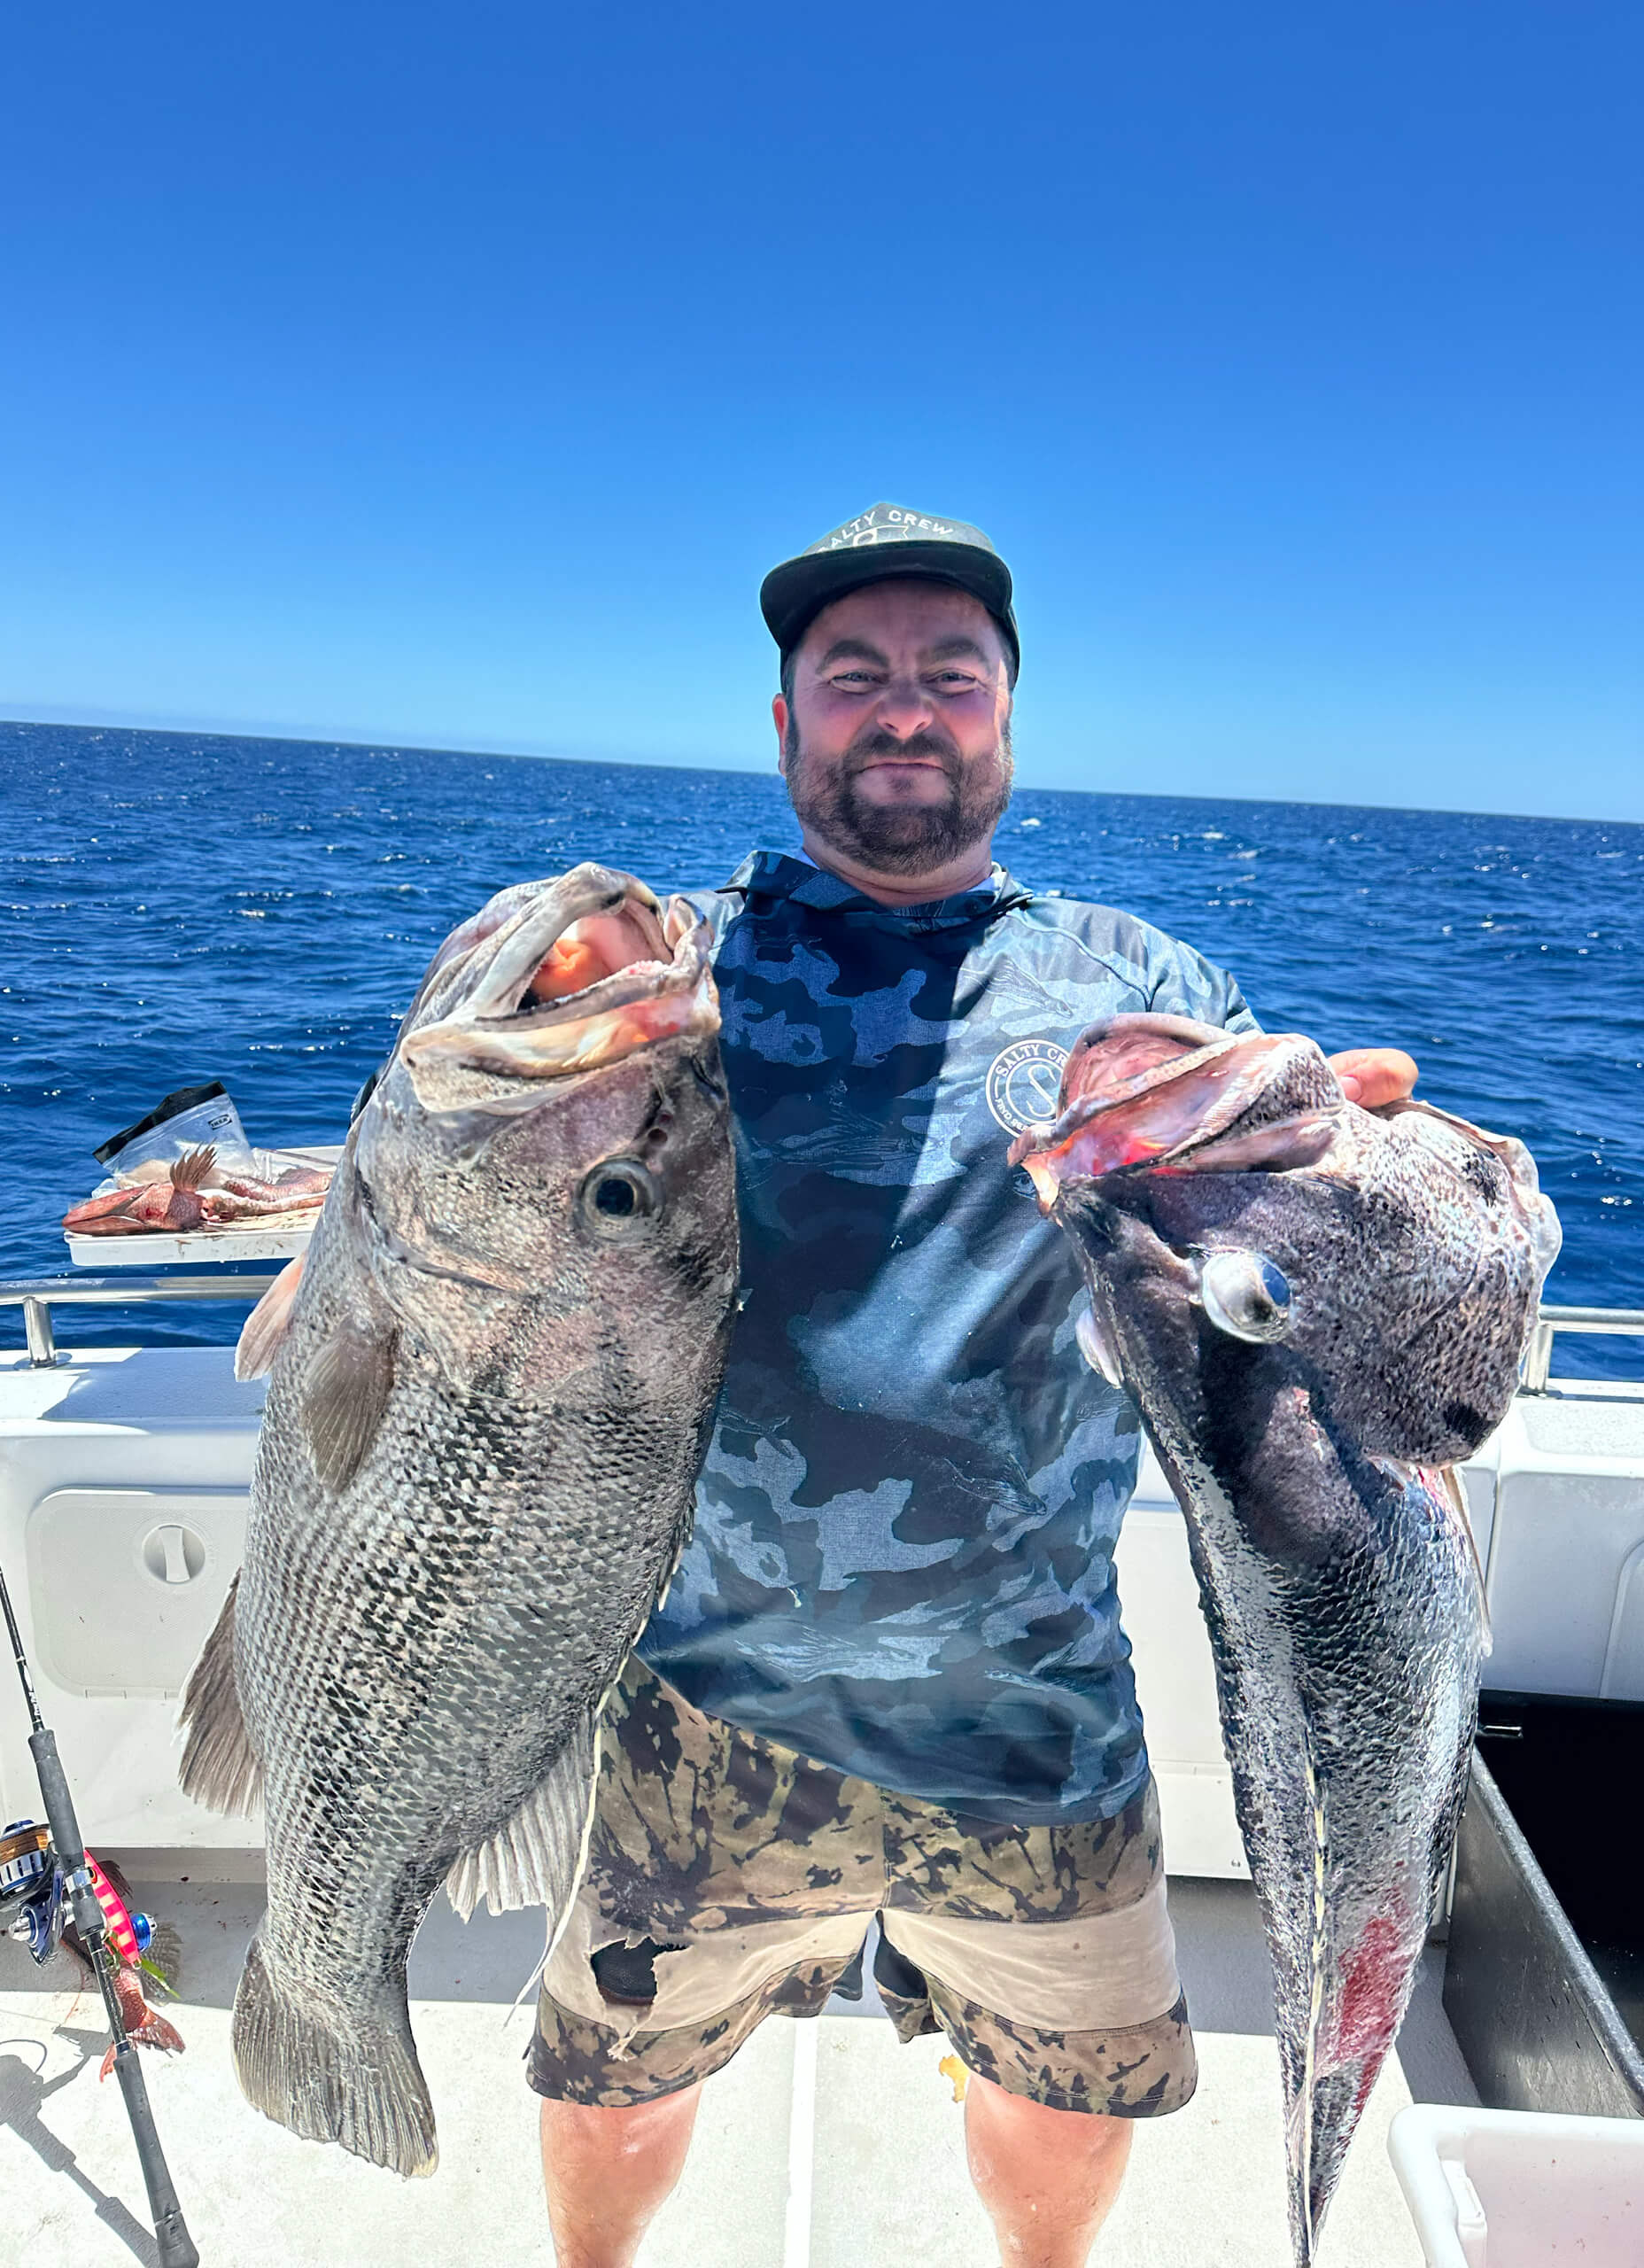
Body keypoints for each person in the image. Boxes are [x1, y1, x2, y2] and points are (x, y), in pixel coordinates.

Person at [531, 503, 1417, 2268]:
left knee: (1074, 2101)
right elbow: (464, 1201)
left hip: (1035, 1711)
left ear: (1008, 715)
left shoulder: (1142, 990)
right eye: (853, 674)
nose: (905, 708)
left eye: (952, 674)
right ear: (785, 721)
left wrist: (1370, 1187)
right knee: (611, 2085)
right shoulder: (656, 984)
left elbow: (1274, 1257)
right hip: (700, 1702)